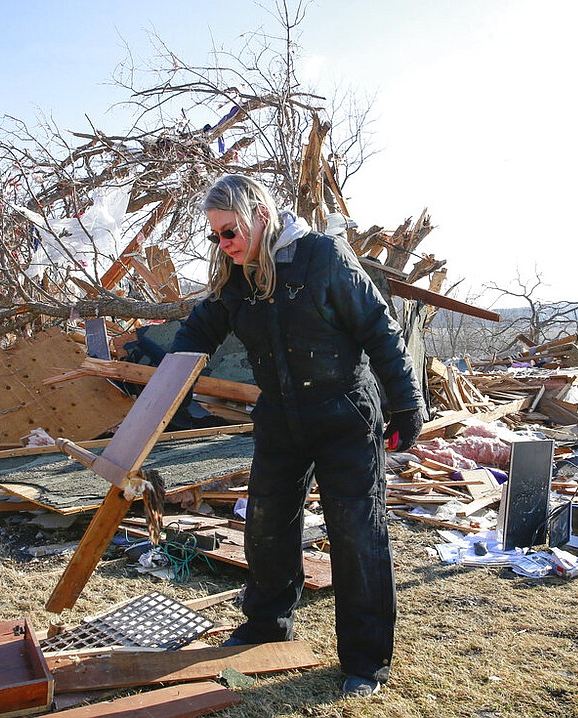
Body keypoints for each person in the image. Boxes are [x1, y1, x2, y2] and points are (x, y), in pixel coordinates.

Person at [169, 174, 426, 697]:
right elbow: (198, 329)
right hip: (281, 417)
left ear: (260, 215)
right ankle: (267, 623)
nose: (225, 244)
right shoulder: (236, 277)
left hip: (344, 415)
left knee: (356, 532)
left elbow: (380, 328)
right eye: (216, 235)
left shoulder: (323, 257)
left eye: (230, 231)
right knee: (266, 521)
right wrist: (170, 384)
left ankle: (364, 660)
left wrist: (406, 404)